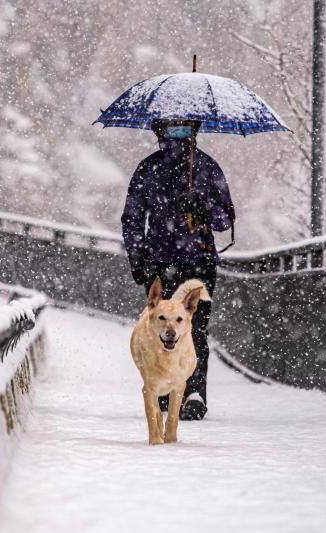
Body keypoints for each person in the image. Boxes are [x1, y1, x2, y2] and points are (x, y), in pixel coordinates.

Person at [121, 120, 235, 421]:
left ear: (194, 131)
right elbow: (132, 217)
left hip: (199, 264)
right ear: (160, 131)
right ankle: (163, 389)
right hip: (160, 263)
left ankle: (192, 394)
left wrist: (203, 208)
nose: (178, 134)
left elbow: (226, 219)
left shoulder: (207, 168)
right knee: (160, 328)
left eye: (185, 128)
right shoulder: (149, 169)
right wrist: (136, 253)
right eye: (173, 128)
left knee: (194, 329)